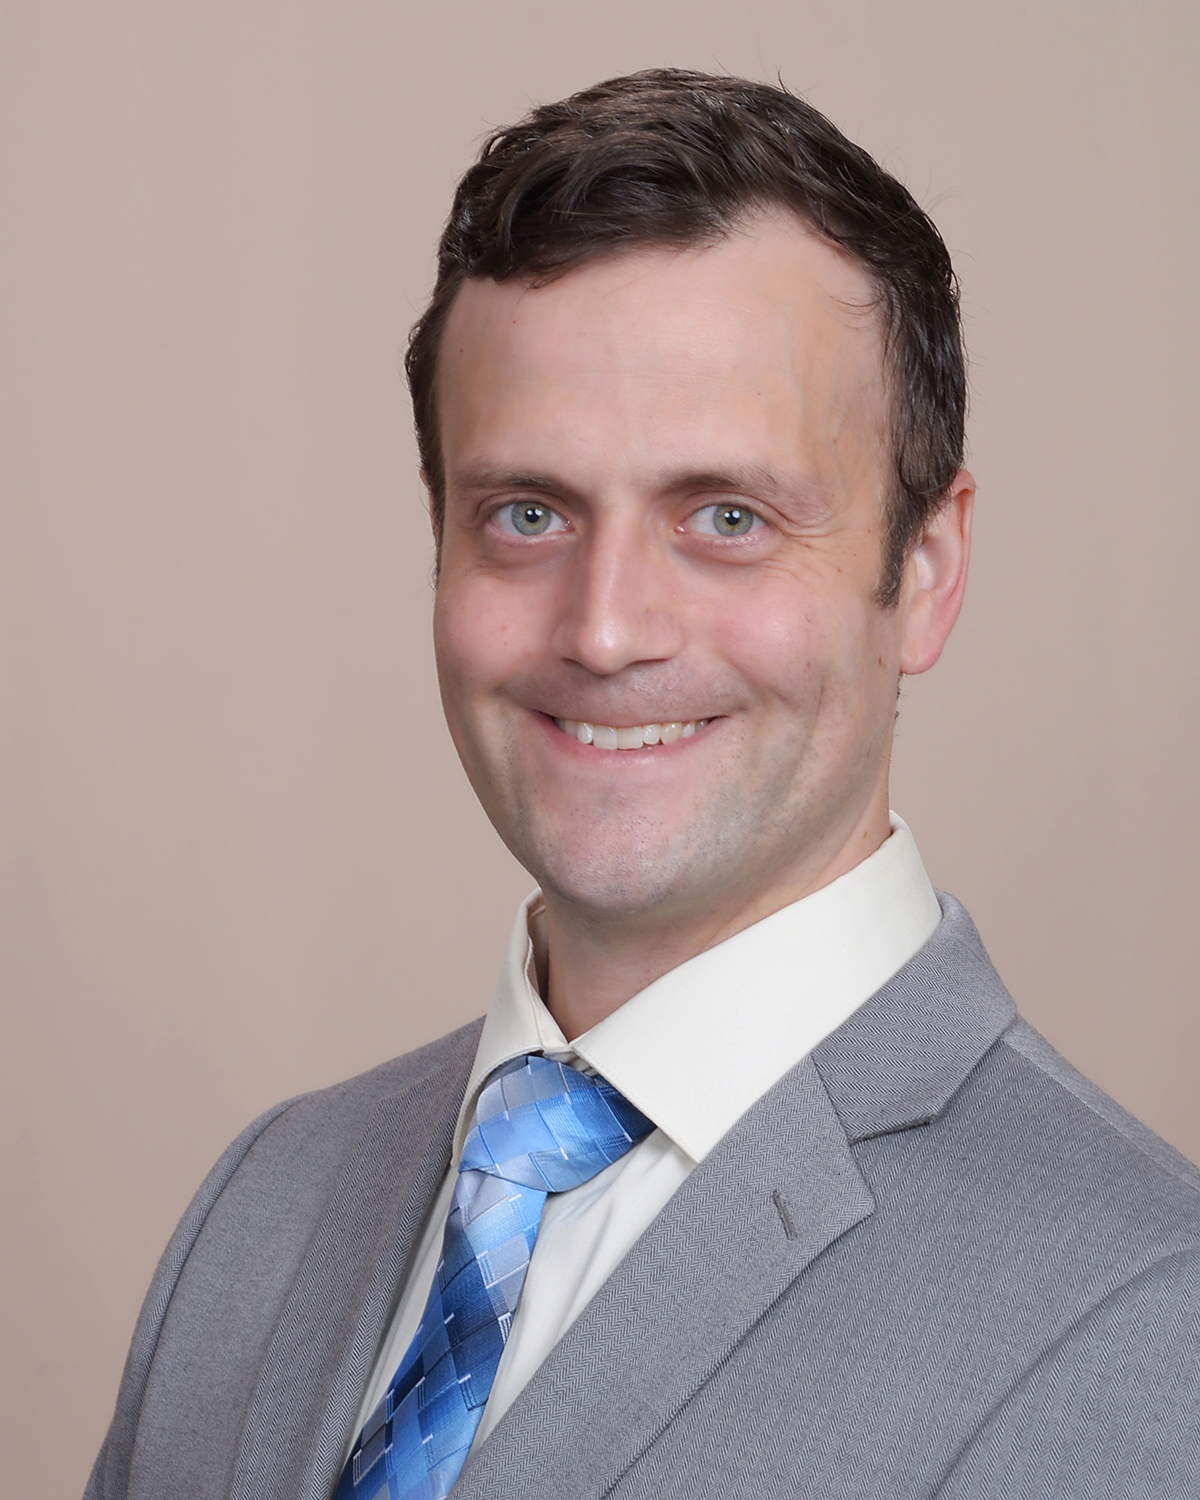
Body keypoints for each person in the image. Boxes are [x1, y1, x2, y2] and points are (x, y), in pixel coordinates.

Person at [87, 70, 1200, 1500]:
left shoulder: (1143, 1328)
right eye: (527, 513)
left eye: (726, 517)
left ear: (926, 571)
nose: (606, 630)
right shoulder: (264, 1208)